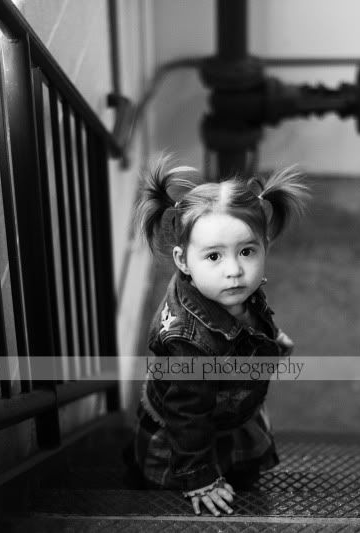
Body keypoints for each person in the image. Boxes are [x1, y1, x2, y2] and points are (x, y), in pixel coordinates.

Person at [125, 158, 309, 516]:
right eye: (213, 256)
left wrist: (270, 339)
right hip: (192, 431)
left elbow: (253, 314)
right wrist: (199, 477)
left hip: (230, 403)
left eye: (247, 251)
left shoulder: (228, 290)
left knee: (243, 476)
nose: (235, 270)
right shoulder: (187, 343)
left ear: (264, 246)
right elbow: (187, 416)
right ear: (182, 260)